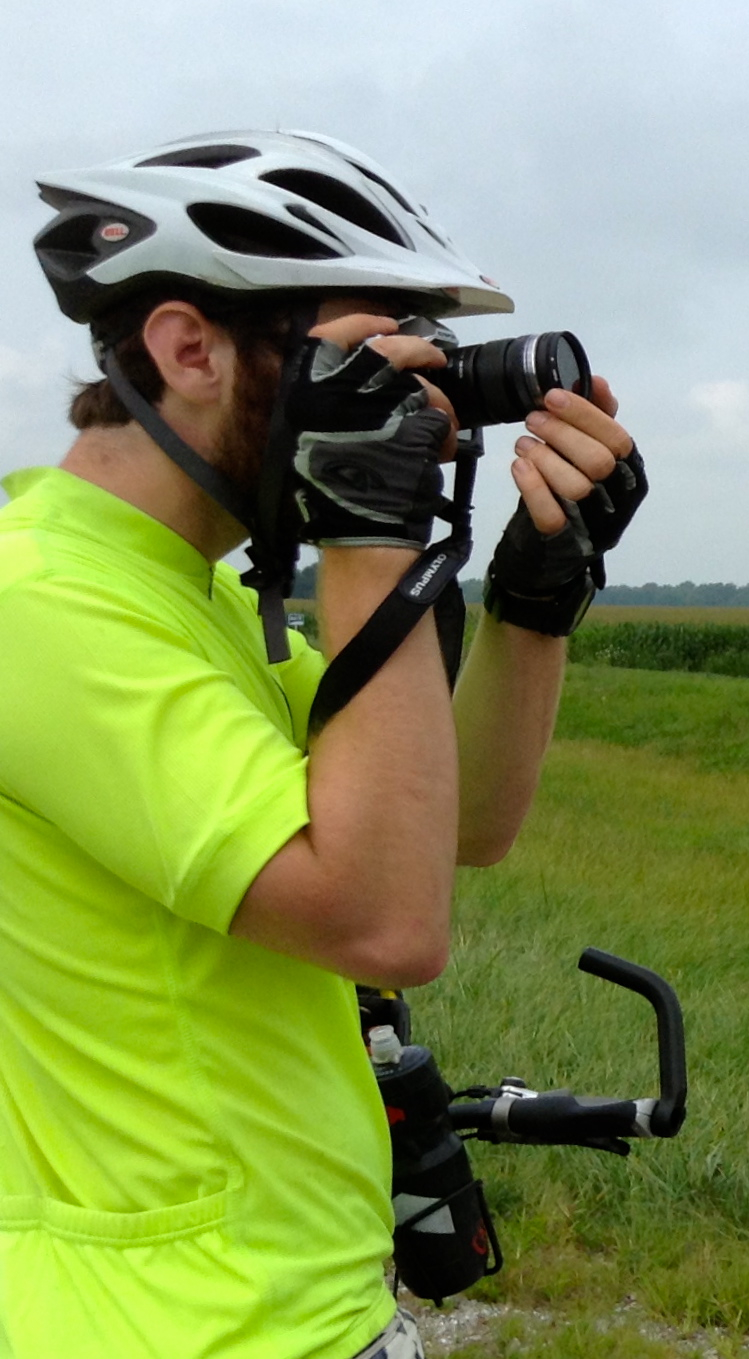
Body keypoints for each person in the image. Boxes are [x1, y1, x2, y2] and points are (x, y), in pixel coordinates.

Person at [0, 131, 647, 1358]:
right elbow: (385, 923)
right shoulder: (39, 605)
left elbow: (457, 828)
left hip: (297, 1306)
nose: (422, 406)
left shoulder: (190, 598)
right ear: (189, 349)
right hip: (166, 1327)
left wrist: (534, 597)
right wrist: (366, 533)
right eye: (369, 359)